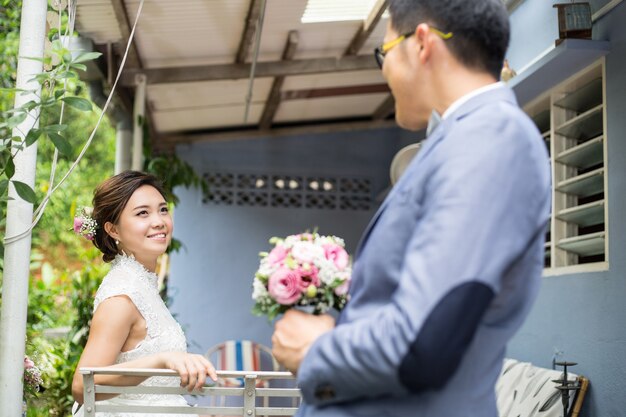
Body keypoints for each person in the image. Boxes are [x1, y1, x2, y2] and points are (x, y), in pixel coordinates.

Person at [271, 1, 551, 416]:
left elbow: (423, 340)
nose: (383, 70)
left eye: (383, 53)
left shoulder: (491, 136)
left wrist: (317, 348)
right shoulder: (459, 139)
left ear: (421, 43)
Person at [71, 171, 217, 416]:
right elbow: (82, 385)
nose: (159, 221)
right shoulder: (122, 295)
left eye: (163, 209)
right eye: (142, 213)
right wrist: (161, 361)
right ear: (113, 230)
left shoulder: (142, 284)